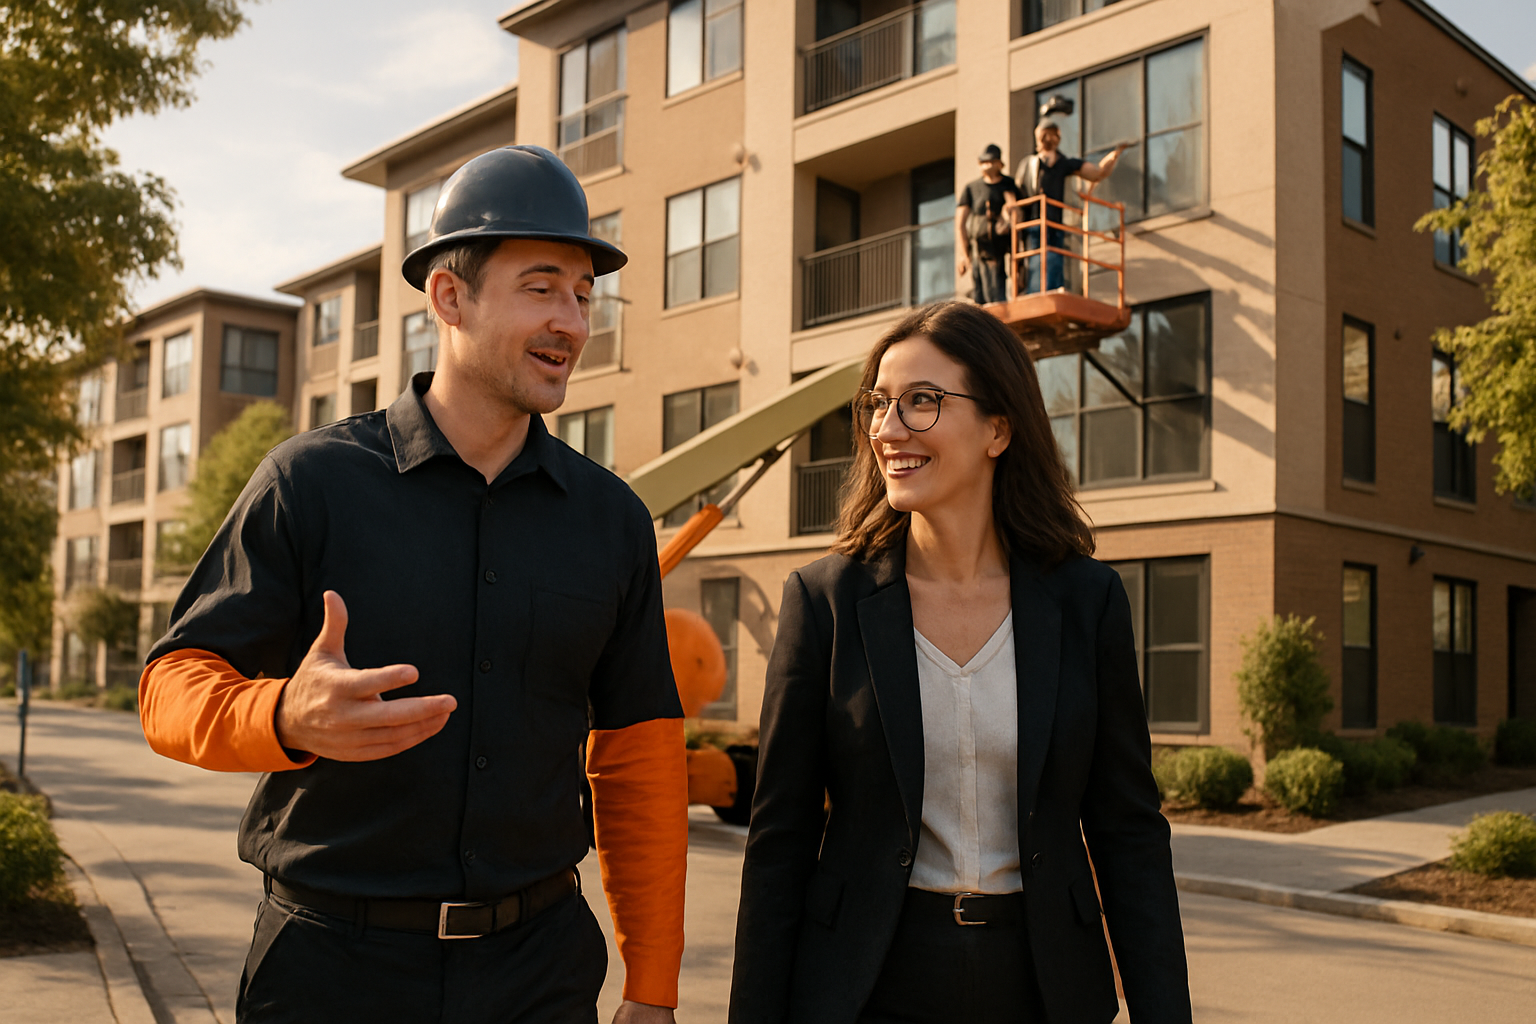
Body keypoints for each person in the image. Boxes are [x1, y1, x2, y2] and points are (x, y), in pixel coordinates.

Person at [138, 146, 687, 1024]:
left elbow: (639, 758)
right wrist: (283, 716)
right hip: (329, 973)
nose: (573, 322)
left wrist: (654, 986)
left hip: (539, 976)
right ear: (448, 296)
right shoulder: (309, 483)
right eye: (541, 288)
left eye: (585, 295)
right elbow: (169, 686)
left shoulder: (611, 520)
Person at [729, 301, 1191, 1024]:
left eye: (922, 401)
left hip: (1044, 987)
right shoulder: (824, 601)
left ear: (998, 430)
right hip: (866, 986)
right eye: (879, 403)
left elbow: (1128, 831)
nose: (888, 429)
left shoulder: (1087, 601)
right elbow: (779, 844)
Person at [1015, 116, 1127, 293]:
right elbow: (1017, 195)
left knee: (1054, 258)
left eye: (1052, 134)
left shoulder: (1065, 164)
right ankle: (1037, 293)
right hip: (1034, 224)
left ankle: (1051, 291)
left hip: (1056, 223)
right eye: (1044, 135)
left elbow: (1097, 173)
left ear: (1058, 138)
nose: (1048, 139)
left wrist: (1115, 154)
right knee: (1036, 260)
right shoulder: (1029, 164)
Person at [954, 144, 1020, 306]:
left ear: (999, 164)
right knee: (979, 289)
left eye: (990, 162)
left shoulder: (1008, 184)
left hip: (999, 245)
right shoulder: (972, 188)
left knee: (997, 288)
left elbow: (1016, 211)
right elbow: (960, 222)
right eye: (983, 162)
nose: (987, 166)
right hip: (978, 244)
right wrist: (964, 255)